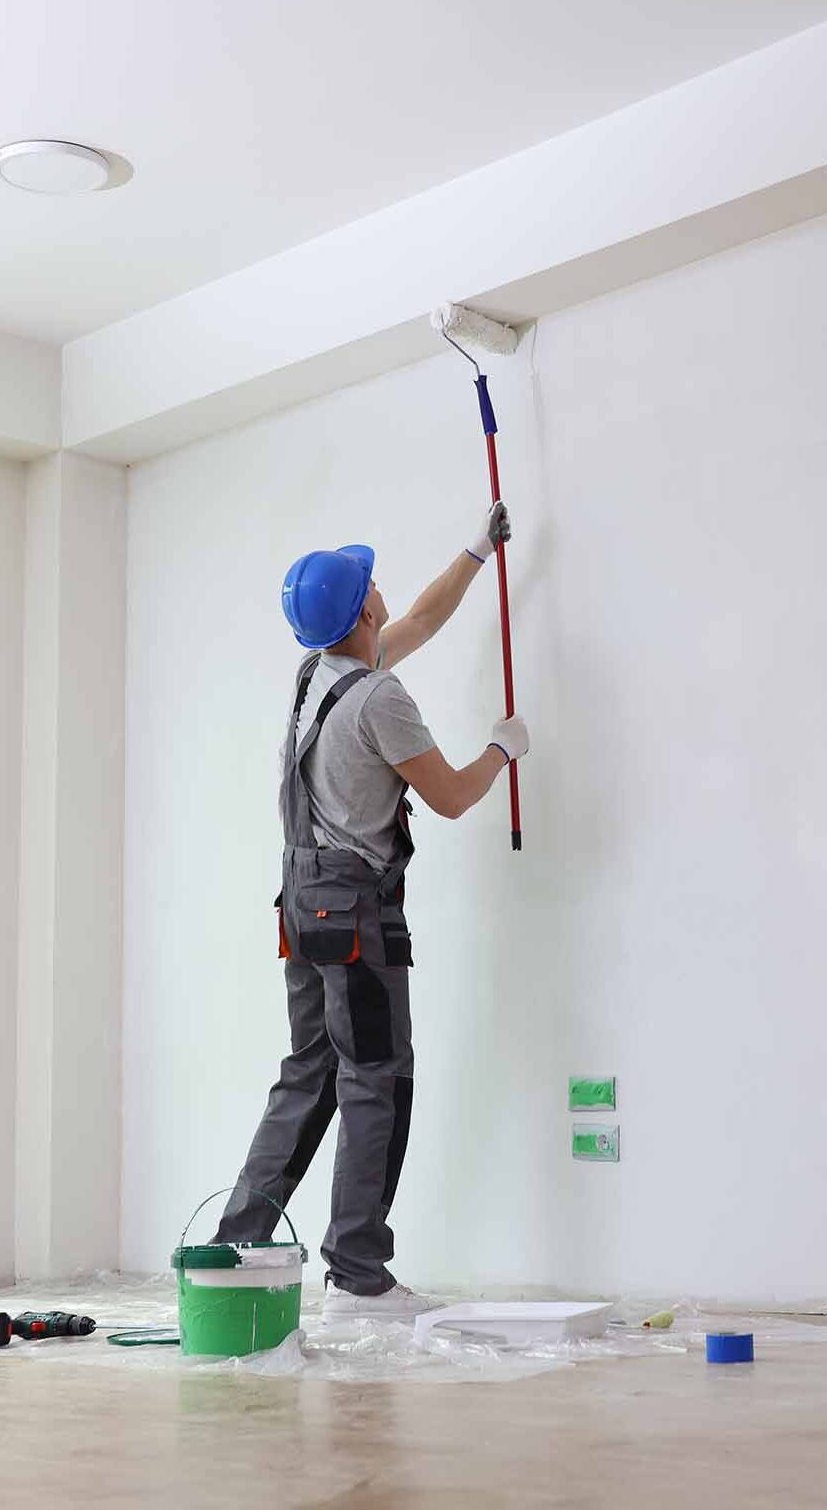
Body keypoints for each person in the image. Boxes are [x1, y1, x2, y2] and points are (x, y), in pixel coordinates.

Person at [213, 502, 529, 1319]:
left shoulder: (317, 674)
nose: (384, 589)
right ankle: (358, 1273)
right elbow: (453, 797)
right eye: (371, 584)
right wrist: (502, 749)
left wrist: (475, 550)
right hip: (357, 917)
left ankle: (235, 1250)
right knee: (375, 1079)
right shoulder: (378, 698)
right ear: (361, 613)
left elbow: (423, 615)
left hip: (302, 904)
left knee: (309, 1073)